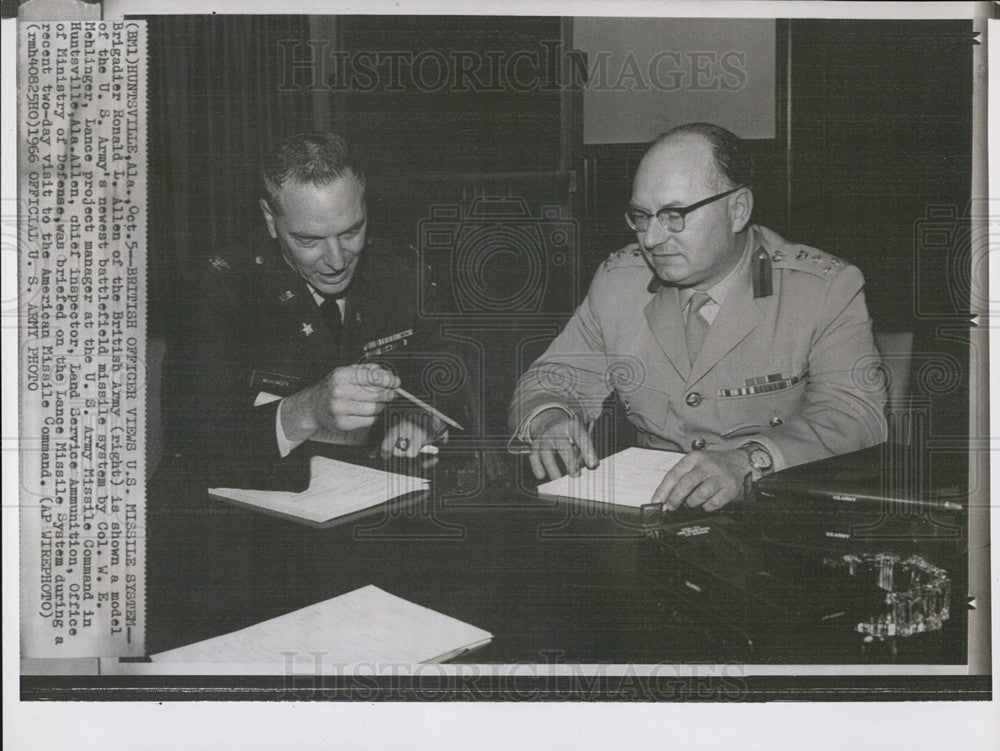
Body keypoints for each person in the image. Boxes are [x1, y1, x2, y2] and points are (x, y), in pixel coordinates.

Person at [509, 123, 887, 512]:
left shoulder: (823, 290)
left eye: (674, 215)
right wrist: (550, 419)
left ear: (737, 209)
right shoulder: (619, 283)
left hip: (777, 512)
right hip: (655, 516)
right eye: (641, 216)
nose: (652, 239)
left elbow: (853, 416)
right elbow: (551, 378)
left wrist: (751, 460)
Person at [164, 132, 474, 490]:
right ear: (270, 219)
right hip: (258, 511)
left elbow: (454, 370)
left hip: (378, 496)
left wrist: (424, 420)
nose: (338, 260)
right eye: (309, 240)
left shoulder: (403, 273)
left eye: (351, 231)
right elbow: (188, 439)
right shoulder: (220, 286)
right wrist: (308, 409)